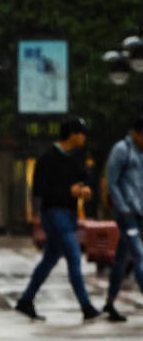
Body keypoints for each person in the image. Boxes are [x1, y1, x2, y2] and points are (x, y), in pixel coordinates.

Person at [15, 116, 100, 322]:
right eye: (81, 133)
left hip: (70, 215)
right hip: (54, 214)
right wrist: (69, 191)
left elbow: (84, 179)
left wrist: (85, 190)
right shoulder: (48, 158)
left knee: (49, 260)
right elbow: (39, 190)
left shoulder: (77, 157)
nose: (84, 138)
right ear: (72, 134)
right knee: (74, 256)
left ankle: (26, 299)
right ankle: (86, 306)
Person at [102, 118, 143, 323]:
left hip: (140, 213)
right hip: (127, 215)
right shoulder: (121, 150)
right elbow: (112, 181)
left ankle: (110, 303)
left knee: (121, 259)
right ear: (136, 133)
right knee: (139, 256)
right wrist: (123, 208)